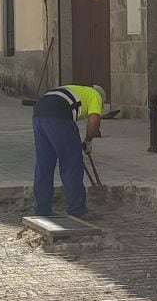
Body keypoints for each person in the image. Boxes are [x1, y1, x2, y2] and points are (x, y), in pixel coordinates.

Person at [32, 83, 106, 219]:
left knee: (44, 165)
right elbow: (94, 121)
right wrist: (88, 141)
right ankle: (77, 209)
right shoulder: (96, 95)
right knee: (71, 163)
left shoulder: (75, 89)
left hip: (39, 114)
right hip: (58, 116)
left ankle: (42, 209)